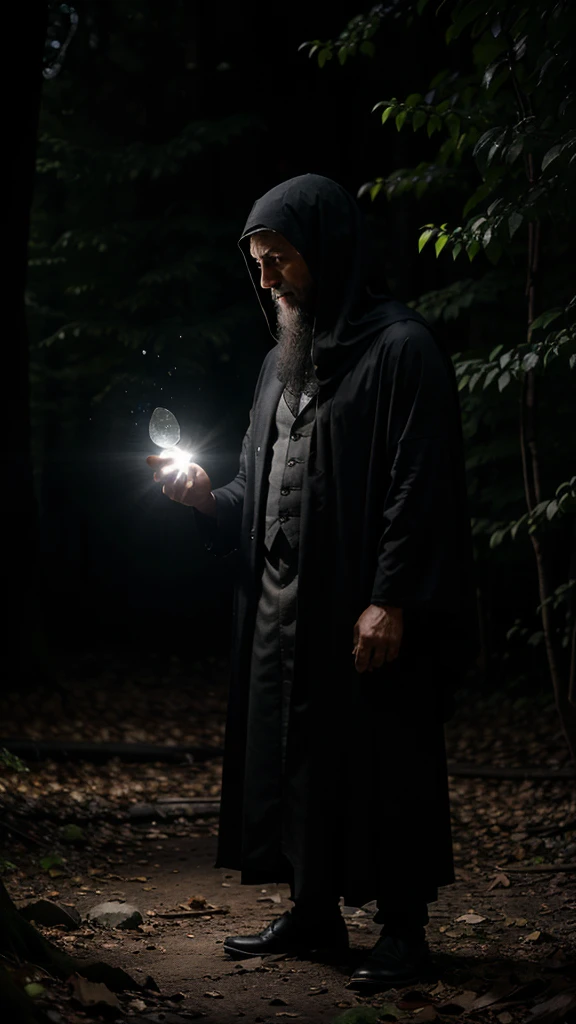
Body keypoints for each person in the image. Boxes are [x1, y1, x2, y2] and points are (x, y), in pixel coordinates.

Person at [147, 173, 477, 988]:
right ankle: (313, 912)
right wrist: (206, 500)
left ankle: (404, 933)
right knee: (294, 756)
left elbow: (419, 485)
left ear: (325, 252)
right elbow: (262, 491)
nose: (268, 281)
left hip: (361, 603)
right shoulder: (277, 363)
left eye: (280, 260)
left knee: (383, 754)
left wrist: (391, 597)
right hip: (280, 605)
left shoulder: (402, 349)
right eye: (257, 264)